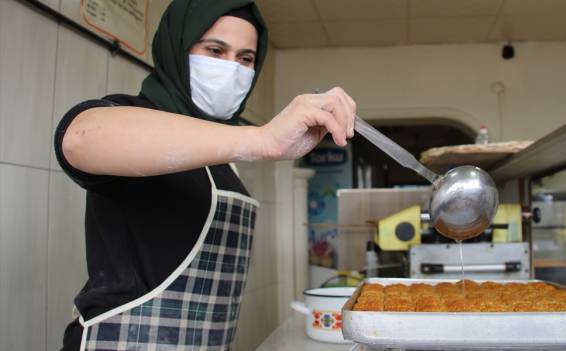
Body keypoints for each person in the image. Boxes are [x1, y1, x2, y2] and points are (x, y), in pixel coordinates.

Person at [55, 1, 355, 350]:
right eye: (214, 50)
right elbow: (80, 139)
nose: (231, 69)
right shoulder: (134, 115)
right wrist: (262, 139)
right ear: (177, 49)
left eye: (245, 59)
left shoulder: (223, 156)